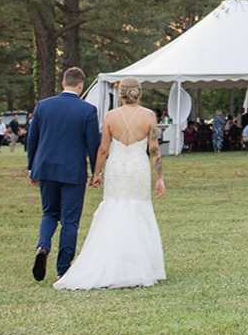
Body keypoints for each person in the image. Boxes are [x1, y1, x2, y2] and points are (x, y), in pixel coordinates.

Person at [54, 76, 165, 290]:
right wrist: (159, 177)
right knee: (137, 210)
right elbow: (154, 149)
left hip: (116, 168)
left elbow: (103, 149)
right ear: (139, 92)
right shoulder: (149, 116)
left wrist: (96, 173)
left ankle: (111, 262)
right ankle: (138, 265)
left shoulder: (111, 116)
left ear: (121, 93)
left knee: (115, 208)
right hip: (137, 168)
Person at [27, 66, 103, 282]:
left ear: (63, 83)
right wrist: (95, 172)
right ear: (81, 85)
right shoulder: (87, 110)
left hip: (46, 167)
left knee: (49, 212)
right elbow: (92, 144)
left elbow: (33, 139)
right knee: (70, 220)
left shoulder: (43, 106)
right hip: (73, 170)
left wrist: (32, 167)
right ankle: (63, 269)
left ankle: (42, 247)